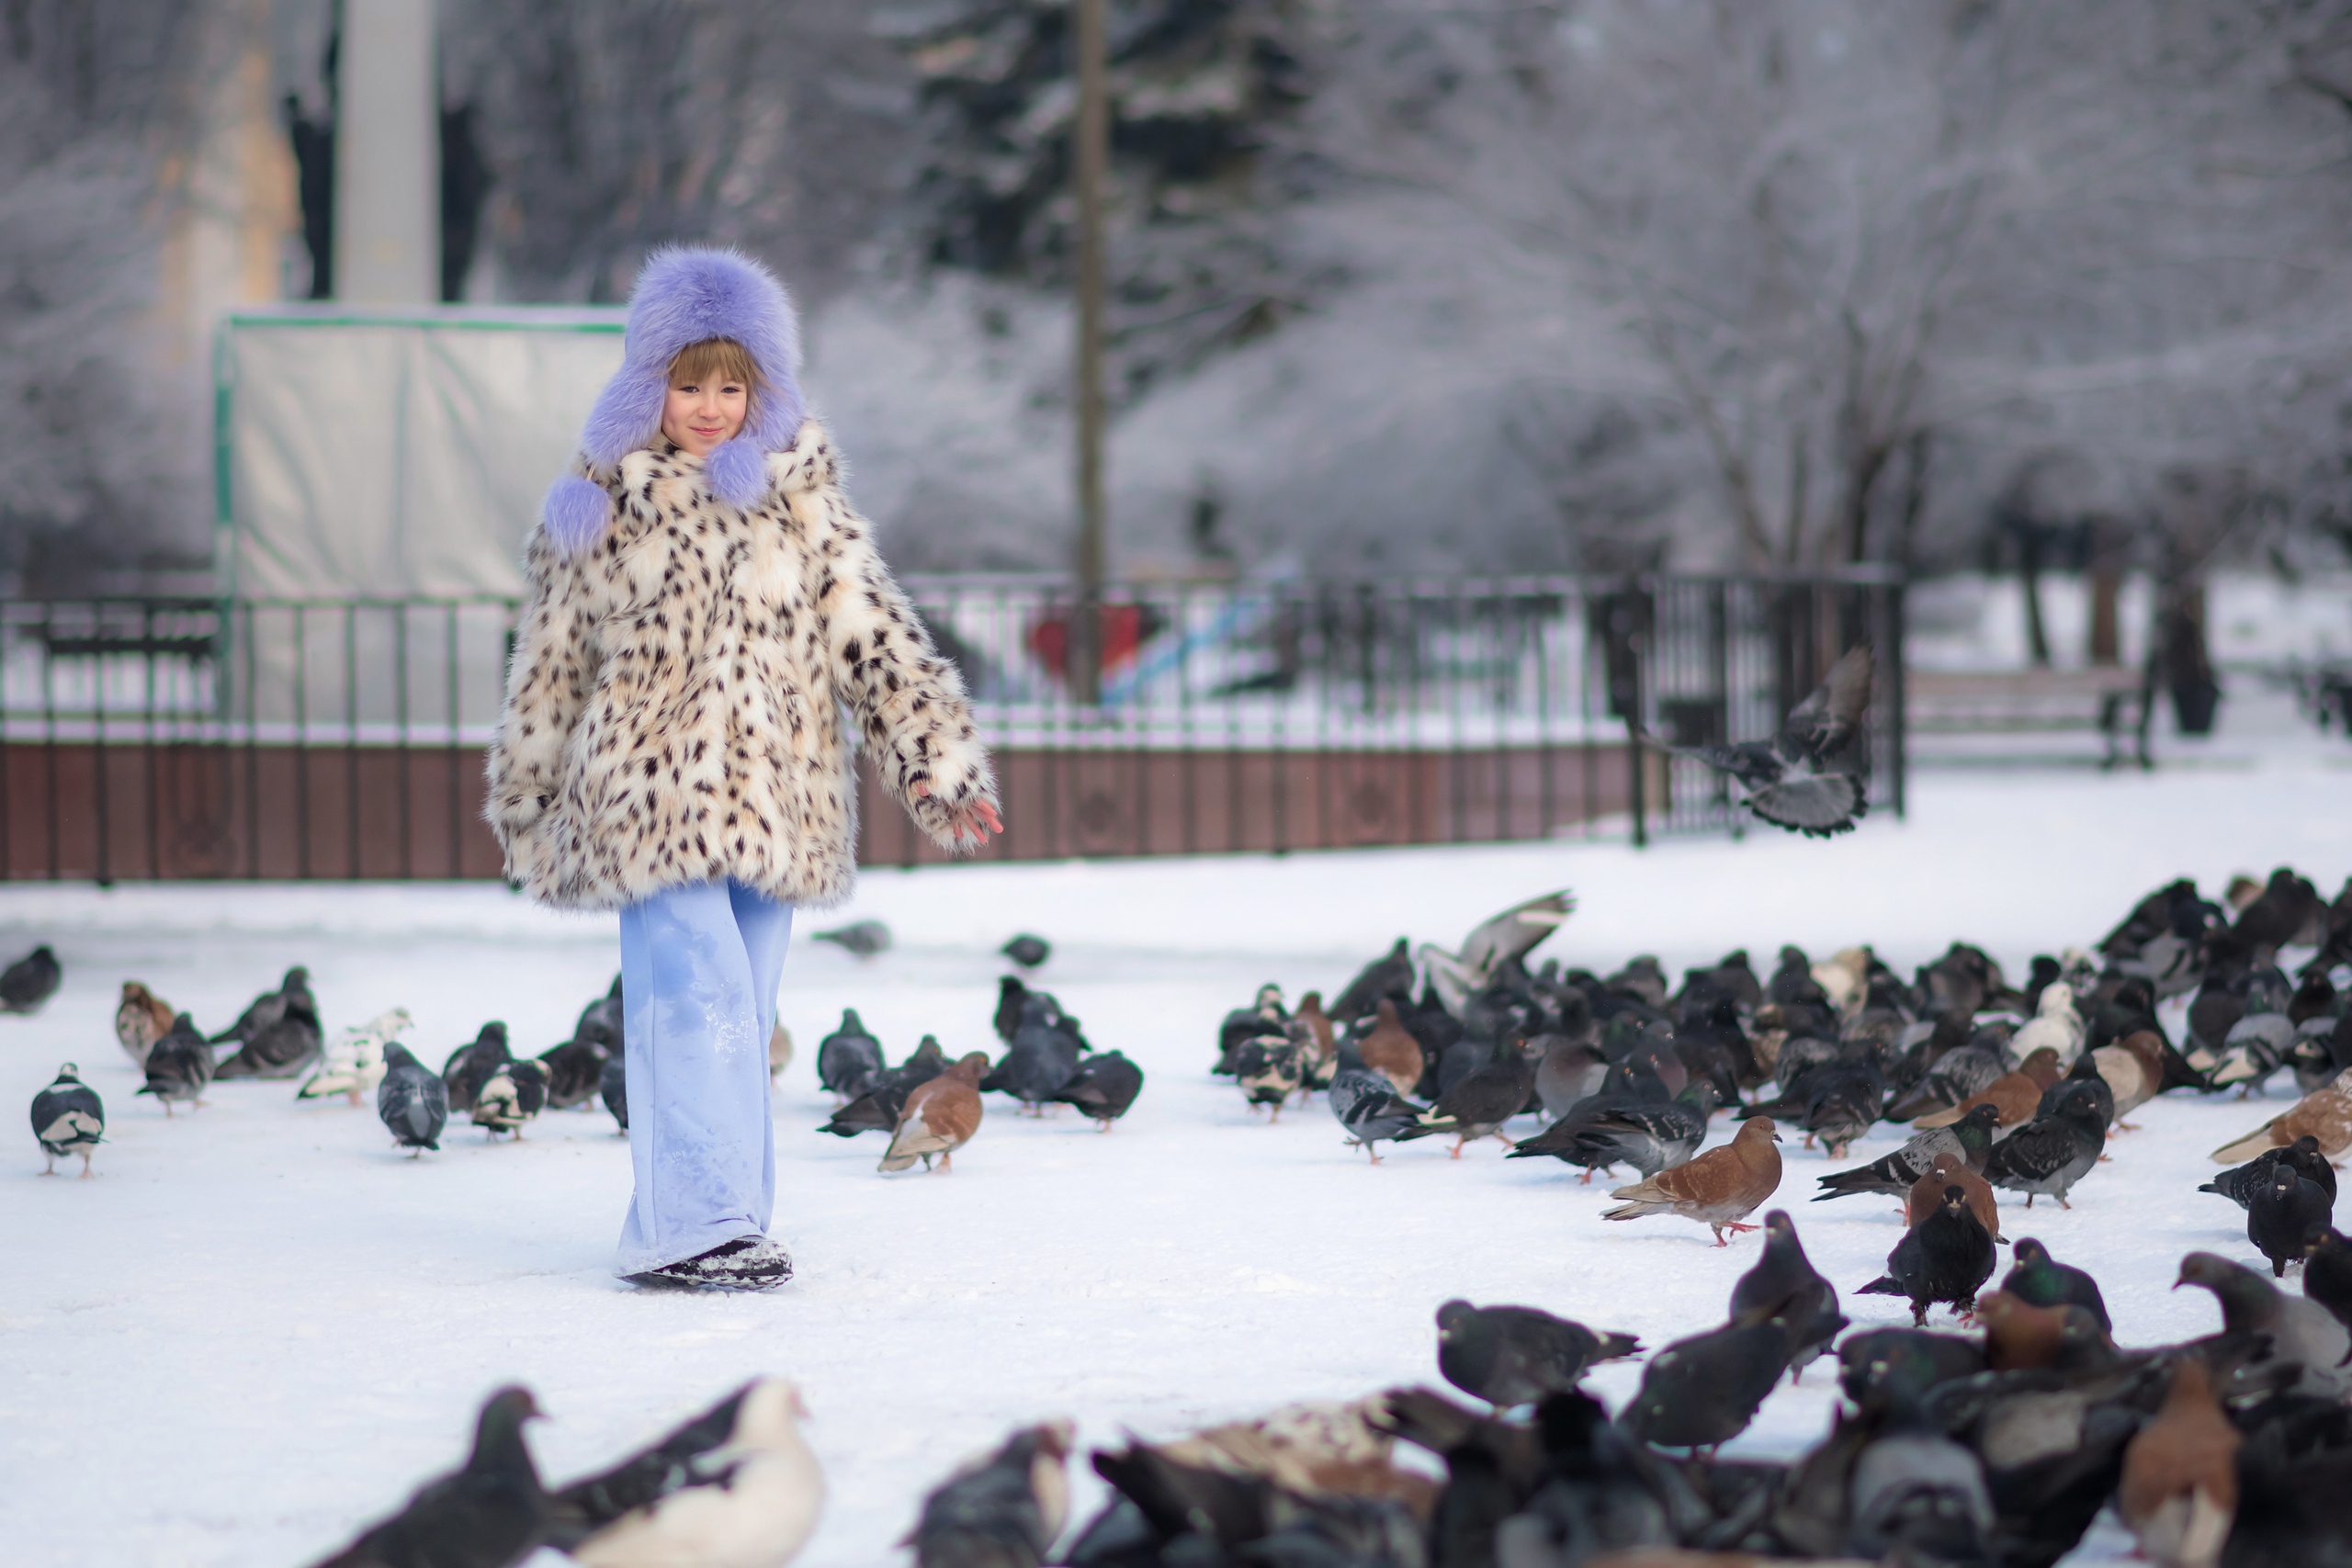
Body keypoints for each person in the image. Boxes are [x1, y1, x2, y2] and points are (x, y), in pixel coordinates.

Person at [484, 247, 1001, 1291]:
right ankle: (700, 1224)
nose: (711, 407)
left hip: (780, 800)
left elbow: (873, 637)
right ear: (648, 385)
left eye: (734, 385)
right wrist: (530, 804)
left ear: (765, 388)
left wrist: (937, 764)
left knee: (743, 1012)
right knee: (692, 1000)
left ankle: (723, 1219)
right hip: (646, 801)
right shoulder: (595, 508)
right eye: (689, 383)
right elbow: (548, 668)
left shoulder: (800, 501)